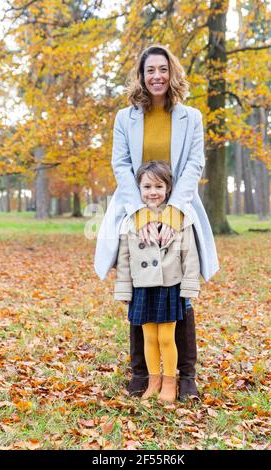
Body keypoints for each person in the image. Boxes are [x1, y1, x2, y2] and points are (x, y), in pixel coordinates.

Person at [94, 44, 219, 400]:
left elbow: (194, 165)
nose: (157, 76)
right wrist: (140, 215)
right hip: (135, 206)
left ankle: (187, 376)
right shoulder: (125, 118)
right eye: (150, 70)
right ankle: (140, 374)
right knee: (137, 287)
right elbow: (121, 165)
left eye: (163, 69)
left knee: (179, 289)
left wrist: (174, 213)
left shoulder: (191, 117)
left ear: (172, 72)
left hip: (179, 207)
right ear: (142, 75)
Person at [114, 161, 200, 403]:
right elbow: (124, 258)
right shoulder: (131, 220)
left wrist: (189, 286)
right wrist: (123, 288)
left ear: (169, 188)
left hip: (169, 287)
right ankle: (154, 381)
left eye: (159, 186)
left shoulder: (180, 218)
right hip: (142, 287)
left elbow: (189, 255)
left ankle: (170, 382)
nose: (153, 191)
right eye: (147, 186)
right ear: (138, 189)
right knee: (149, 338)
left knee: (166, 338)